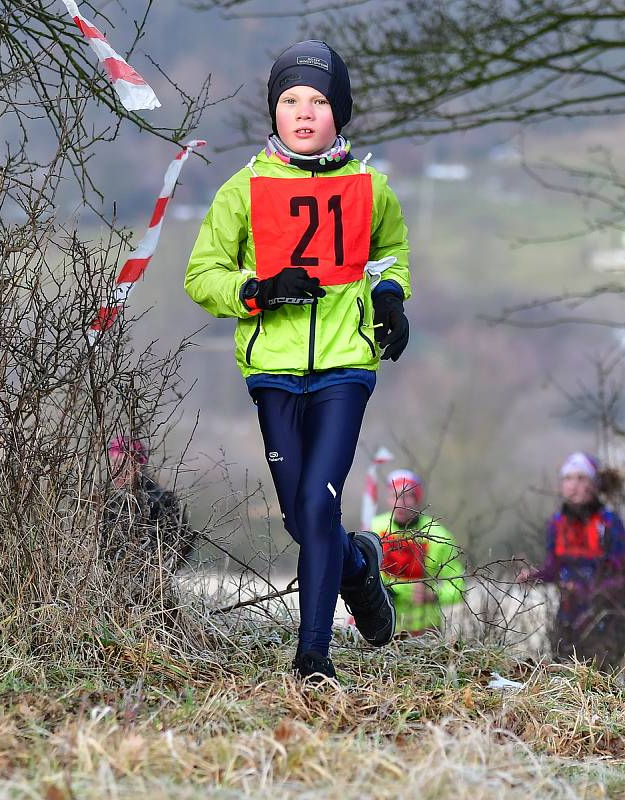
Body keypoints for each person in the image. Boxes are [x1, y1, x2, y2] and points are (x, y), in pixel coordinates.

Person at [184, 40, 411, 683]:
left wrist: (391, 298)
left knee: (317, 501)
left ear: (340, 113)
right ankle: (360, 571)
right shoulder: (244, 190)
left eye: (318, 101)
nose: (304, 113)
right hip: (273, 368)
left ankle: (313, 657)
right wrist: (256, 292)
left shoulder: (372, 187)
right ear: (274, 111)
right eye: (290, 101)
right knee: (298, 514)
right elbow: (202, 277)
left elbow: (389, 251)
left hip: (345, 364)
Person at [518, 452, 625, 670]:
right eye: (567, 479)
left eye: (581, 478)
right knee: (563, 676)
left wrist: (589, 591)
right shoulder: (557, 524)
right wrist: (534, 576)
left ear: (594, 485)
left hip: (605, 619)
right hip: (567, 616)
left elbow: (620, 576)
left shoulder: (609, 523)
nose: (573, 486)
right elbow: (554, 567)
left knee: (601, 683)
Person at [370, 469, 464, 635]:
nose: (400, 502)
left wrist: (433, 596)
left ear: (417, 499)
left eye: (407, 495)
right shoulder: (373, 530)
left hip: (424, 631)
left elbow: (458, 587)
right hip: (379, 626)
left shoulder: (438, 536)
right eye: (394, 495)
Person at [102, 435, 193, 596]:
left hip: (153, 591)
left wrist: (160, 574)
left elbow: (185, 542)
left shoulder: (164, 501)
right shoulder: (107, 501)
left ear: (138, 465)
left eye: (122, 465)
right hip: (111, 589)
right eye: (113, 464)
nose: (116, 471)